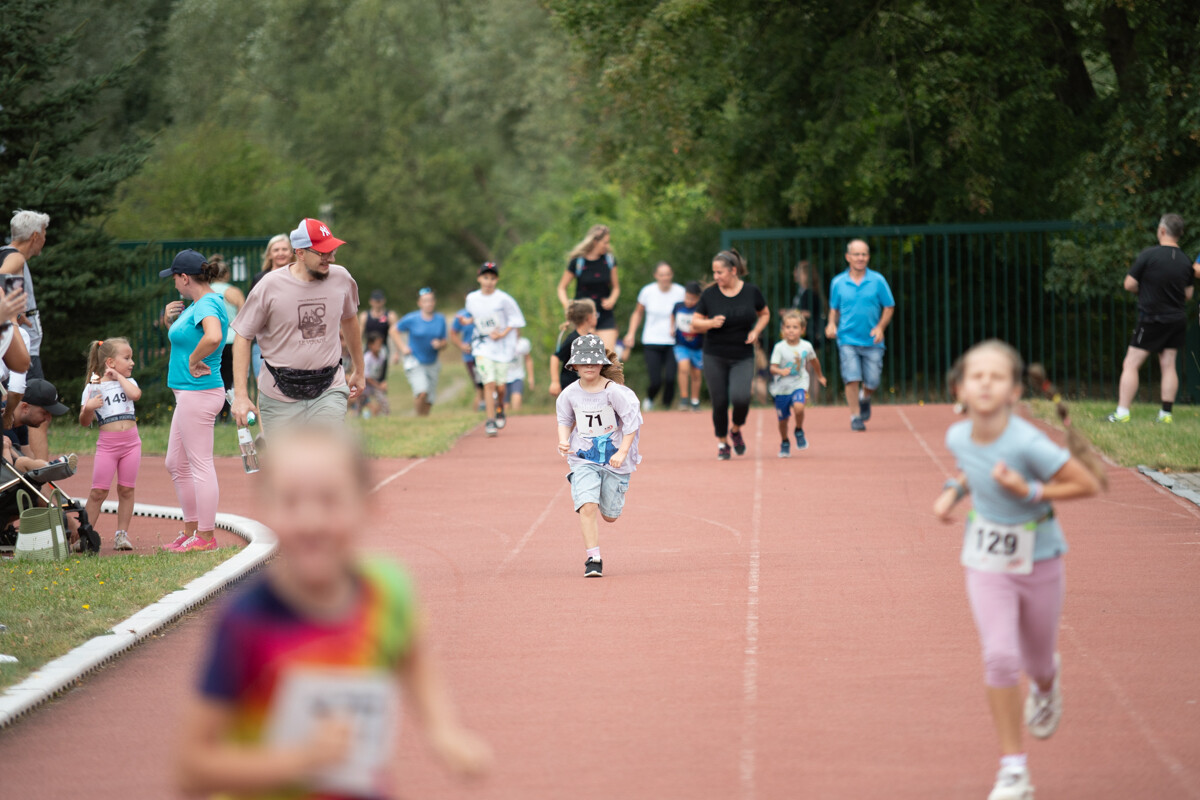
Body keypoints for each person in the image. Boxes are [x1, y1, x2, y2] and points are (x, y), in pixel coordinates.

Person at [176, 425, 491, 798]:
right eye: (291, 501)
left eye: (330, 500)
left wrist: (443, 730)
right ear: (264, 509)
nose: (311, 521)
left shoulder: (388, 591)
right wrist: (300, 762)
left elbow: (413, 657)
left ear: (368, 507)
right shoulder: (246, 621)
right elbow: (191, 768)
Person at [933, 341, 1104, 800]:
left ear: (1013, 392)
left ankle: (1047, 684)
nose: (985, 382)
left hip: (1040, 559)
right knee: (1001, 658)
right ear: (960, 388)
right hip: (986, 561)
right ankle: (1013, 770)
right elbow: (971, 467)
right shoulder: (957, 436)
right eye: (976, 375)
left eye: (997, 376)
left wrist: (1028, 490)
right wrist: (952, 491)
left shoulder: (1027, 441)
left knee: (1036, 662)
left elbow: (1088, 482)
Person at [231, 219, 364, 431]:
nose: (330, 257)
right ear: (300, 253)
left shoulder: (342, 278)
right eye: (322, 252)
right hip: (278, 392)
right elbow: (243, 335)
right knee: (286, 463)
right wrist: (240, 395)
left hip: (329, 387)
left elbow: (349, 320)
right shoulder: (269, 285)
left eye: (332, 250)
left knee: (325, 453)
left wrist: (359, 368)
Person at [555, 334, 641, 578]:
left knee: (610, 516)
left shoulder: (615, 393)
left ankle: (604, 489)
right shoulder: (569, 394)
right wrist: (563, 440)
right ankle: (594, 558)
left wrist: (623, 452)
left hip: (615, 461)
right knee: (587, 505)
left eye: (593, 361)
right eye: (583, 362)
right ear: (575, 366)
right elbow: (564, 420)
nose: (589, 366)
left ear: (602, 364)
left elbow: (632, 423)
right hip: (584, 458)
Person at [160, 250, 230, 553]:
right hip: (189, 394)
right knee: (175, 463)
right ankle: (192, 530)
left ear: (184, 277)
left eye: (175, 277)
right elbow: (189, 337)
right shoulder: (197, 304)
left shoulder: (209, 303)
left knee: (199, 465)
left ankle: (205, 536)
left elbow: (213, 337)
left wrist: (194, 359)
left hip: (198, 394)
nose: (174, 283)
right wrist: (168, 321)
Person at [1108, 213, 1197, 424]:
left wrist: (1146, 290)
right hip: (1176, 319)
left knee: (1130, 364)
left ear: (1163, 230)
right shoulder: (1186, 261)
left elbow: (1129, 284)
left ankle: (1122, 413)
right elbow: (1189, 295)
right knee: (1168, 365)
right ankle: (1166, 414)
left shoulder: (1149, 255)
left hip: (1151, 319)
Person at [690, 249, 770, 460]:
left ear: (733, 271)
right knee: (719, 401)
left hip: (742, 354)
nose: (716, 277)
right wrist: (710, 323)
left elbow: (765, 314)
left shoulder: (751, 292)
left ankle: (735, 430)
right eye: (714, 273)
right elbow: (695, 323)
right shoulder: (710, 294)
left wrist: (756, 331)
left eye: (720, 273)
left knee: (741, 398)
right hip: (714, 354)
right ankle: (722, 442)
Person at [79, 338, 142, 551]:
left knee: (126, 489)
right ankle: (85, 535)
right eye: (127, 358)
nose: (132, 362)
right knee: (98, 492)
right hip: (107, 446)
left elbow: (136, 395)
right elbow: (84, 421)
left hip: (131, 444)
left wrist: (118, 377)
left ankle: (121, 535)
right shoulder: (93, 387)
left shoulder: (129, 382)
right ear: (110, 362)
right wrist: (88, 408)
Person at [825, 239, 895, 432]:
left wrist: (881, 327)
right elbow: (834, 308)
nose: (860, 258)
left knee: (873, 380)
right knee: (851, 377)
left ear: (868, 257)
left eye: (864, 254)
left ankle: (865, 397)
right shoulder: (838, 282)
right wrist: (831, 324)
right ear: (848, 257)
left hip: (873, 340)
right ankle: (855, 416)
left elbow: (889, 306)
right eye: (856, 254)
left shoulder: (878, 280)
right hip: (847, 338)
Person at [0, 209, 51, 460]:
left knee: (17, 415)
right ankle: (39, 479)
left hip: (12, 345)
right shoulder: (16, 258)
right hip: (19, 348)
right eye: (44, 233)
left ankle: (28, 473)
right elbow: (3, 277)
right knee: (38, 414)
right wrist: (11, 317)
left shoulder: (6, 254)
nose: (45, 238)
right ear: (34, 236)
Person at [465, 262, 525, 438]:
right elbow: (475, 318)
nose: (488, 281)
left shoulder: (504, 299)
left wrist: (502, 333)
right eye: (485, 277)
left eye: (492, 278)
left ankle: (500, 406)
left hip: (502, 348)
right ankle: (490, 420)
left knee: (500, 387)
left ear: (496, 280)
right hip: (482, 347)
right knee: (488, 382)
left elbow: (516, 321)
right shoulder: (472, 299)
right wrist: (466, 322)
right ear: (479, 278)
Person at [623, 261, 686, 411]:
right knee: (655, 380)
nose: (665, 277)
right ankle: (650, 399)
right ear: (656, 276)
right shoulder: (647, 291)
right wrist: (631, 333)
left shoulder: (680, 292)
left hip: (673, 341)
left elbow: (687, 313)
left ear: (672, 275)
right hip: (652, 340)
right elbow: (638, 313)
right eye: (662, 274)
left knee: (671, 378)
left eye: (668, 274)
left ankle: (666, 406)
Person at [768, 310, 825, 458]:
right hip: (781, 389)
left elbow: (814, 361)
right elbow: (772, 368)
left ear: (802, 330)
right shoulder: (779, 347)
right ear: (783, 330)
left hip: (799, 383)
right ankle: (785, 441)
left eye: (795, 327)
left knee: (799, 408)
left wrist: (820, 376)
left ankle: (799, 430)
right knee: (783, 421)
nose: (791, 330)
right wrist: (781, 372)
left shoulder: (806, 346)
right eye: (788, 327)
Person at [557, 224, 620, 351]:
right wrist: (568, 306)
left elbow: (616, 287)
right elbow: (561, 288)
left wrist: (612, 299)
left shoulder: (609, 260)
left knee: (609, 358)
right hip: (583, 315)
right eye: (605, 242)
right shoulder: (578, 262)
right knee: (588, 357)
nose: (607, 246)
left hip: (604, 314)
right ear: (595, 241)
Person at [391, 288, 447, 417]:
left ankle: (423, 420)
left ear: (434, 302)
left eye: (431, 300)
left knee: (429, 398)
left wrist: (440, 344)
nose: (429, 303)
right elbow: (393, 331)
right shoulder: (412, 318)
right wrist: (403, 347)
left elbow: (445, 342)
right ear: (420, 303)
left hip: (432, 362)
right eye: (425, 301)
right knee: (422, 392)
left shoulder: (440, 320)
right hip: (415, 360)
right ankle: (417, 418)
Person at [247, 234, 294, 385]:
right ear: (269, 254)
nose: (280, 253)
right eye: (276, 250)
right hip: (263, 343)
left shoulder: (299, 277)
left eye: (284, 249)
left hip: (292, 341)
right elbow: (251, 313)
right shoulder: (260, 279)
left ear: (291, 252)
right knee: (264, 386)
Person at [209, 254, 246, 419]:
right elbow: (245, 316)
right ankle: (226, 414)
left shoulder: (207, 292)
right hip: (232, 339)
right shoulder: (234, 292)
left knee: (213, 378)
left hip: (212, 339)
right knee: (229, 378)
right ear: (227, 274)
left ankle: (212, 412)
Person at [549, 299, 597, 397]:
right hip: (570, 386)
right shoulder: (572, 339)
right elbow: (555, 357)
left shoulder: (592, 338)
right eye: (595, 314)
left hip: (585, 385)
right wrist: (555, 382)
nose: (597, 317)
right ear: (589, 317)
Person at [671, 281, 704, 411]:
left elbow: (705, 325)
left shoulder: (701, 309)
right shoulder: (678, 306)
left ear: (698, 298)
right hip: (681, 344)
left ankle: (695, 400)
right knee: (683, 367)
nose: (689, 301)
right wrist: (671, 327)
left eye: (693, 299)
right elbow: (672, 316)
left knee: (696, 373)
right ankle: (684, 398)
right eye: (687, 297)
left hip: (697, 346)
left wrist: (697, 328)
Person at [450, 304, 485, 412]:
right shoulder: (461, 315)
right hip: (470, 357)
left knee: (488, 384)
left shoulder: (485, 311)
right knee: (479, 386)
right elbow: (452, 333)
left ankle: (486, 409)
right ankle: (479, 411)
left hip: (486, 354)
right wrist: (461, 345)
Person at [360, 289, 399, 375]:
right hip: (368, 350)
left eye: (379, 300)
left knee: (380, 375)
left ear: (383, 301)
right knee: (366, 373)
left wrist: (396, 353)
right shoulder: (365, 316)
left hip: (383, 350)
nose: (377, 303)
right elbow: (360, 336)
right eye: (375, 300)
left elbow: (396, 335)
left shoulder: (389, 316)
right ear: (371, 301)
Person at [791, 260, 827, 348]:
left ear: (805, 275)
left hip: (809, 334)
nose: (795, 274)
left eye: (798, 271)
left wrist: (789, 313)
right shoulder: (802, 291)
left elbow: (808, 313)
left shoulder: (810, 293)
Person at [360, 332, 390, 418]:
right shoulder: (367, 358)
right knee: (361, 403)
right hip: (365, 385)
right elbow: (366, 377)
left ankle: (384, 416)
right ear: (370, 345)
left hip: (375, 384)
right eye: (377, 344)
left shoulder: (381, 356)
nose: (379, 347)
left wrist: (383, 382)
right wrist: (378, 386)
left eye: (380, 344)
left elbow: (382, 371)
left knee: (383, 401)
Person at [505, 336, 534, 412]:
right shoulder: (501, 342)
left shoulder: (523, 343)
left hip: (517, 376)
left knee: (516, 401)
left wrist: (531, 377)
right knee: (505, 407)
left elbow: (528, 360)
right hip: (503, 377)